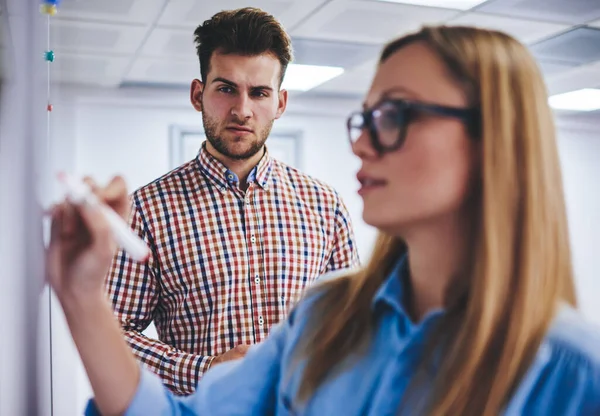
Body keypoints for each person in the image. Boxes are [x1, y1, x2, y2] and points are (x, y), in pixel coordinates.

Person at [47, 25, 600, 416]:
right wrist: (81, 296)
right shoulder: (326, 317)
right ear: (200, 95)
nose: (360, 142)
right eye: (366, 118)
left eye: (395, 115)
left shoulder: (571, 373)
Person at [103, 7, 360, 395]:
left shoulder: (325, 206)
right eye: (226, 89)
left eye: (259, 93)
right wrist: (203, 371)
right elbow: (112, 333)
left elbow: (353, 320)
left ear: (281, 103)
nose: (242, 109)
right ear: (197, 94)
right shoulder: (147, 210)